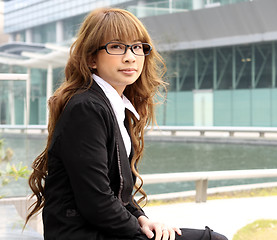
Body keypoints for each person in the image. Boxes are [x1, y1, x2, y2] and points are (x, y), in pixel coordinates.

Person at [25, 8, 228, 240]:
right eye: (116, 47)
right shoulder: (87, 107)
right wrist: (142, 232)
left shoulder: (113, 106)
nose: (130, 56)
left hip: (102, 228)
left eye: (137, 47)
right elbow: (96, 199)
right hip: (83, 233)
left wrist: (142, 219)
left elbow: (116, 191)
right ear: (91, 59)